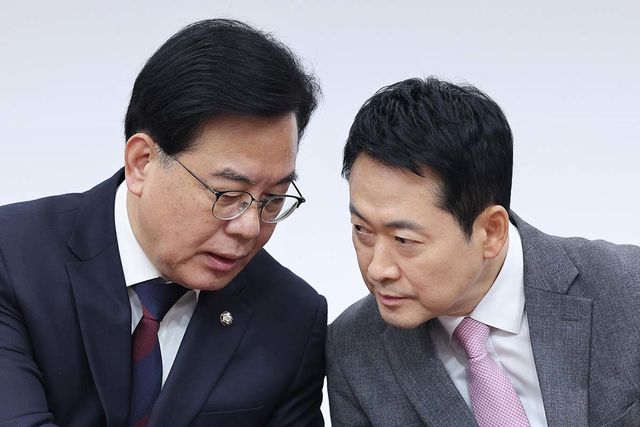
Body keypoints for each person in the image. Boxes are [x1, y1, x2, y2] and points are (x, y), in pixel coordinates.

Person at [0, 19, 326, 427]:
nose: (249, 228)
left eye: (273, 199)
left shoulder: (292, 318)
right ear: (142, 163)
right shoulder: (13, 258)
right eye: (227, 195)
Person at [326, 77, 640, 426]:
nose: (377, 269)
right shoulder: (354, 350)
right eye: (362, 230)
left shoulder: (628, 289)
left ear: (491, 231)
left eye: (404, 240)